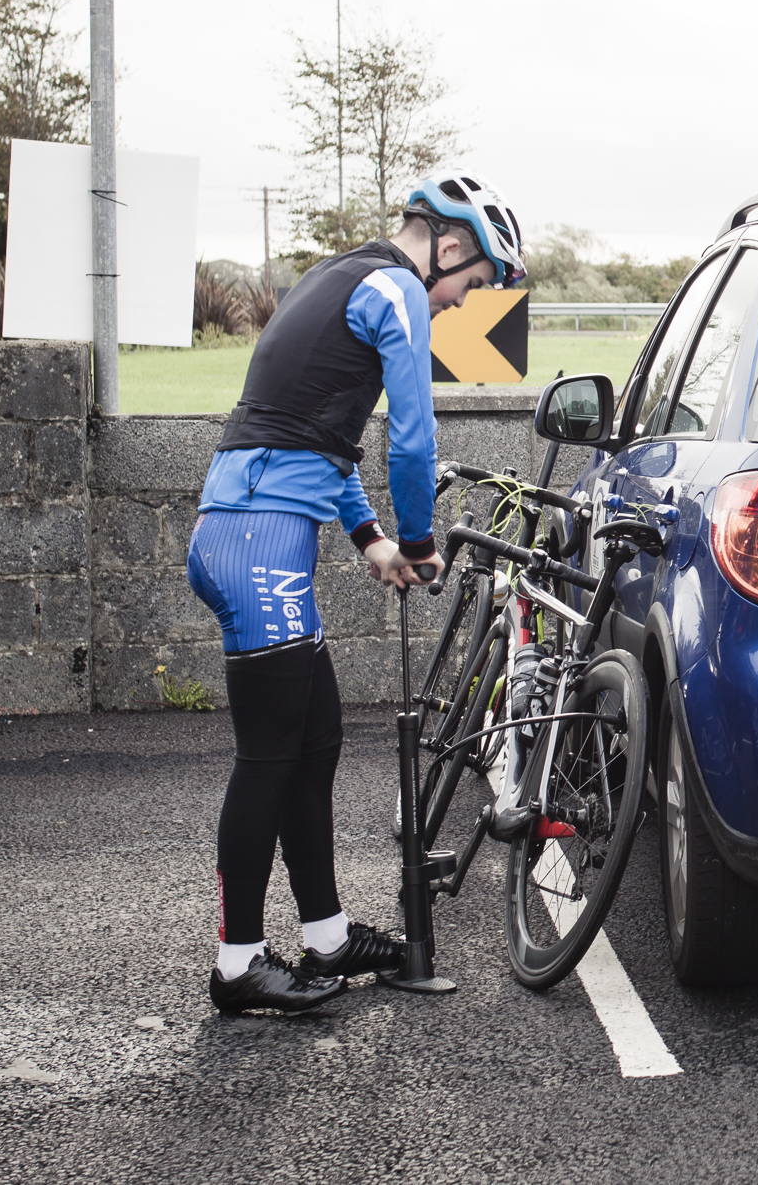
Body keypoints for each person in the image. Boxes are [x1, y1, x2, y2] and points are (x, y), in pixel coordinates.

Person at [188, 174, 526, 1014]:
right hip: (258, 537)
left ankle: (327, 936)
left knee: (317, 737)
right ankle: (236, 964)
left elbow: (314, 431)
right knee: (269, 755)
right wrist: (416, 539)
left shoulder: (339, 276)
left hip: (252, 526)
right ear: (449, 246)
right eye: (471, 285)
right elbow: (413, 441)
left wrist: (369, 536)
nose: (459, 304)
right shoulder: (400, 291)